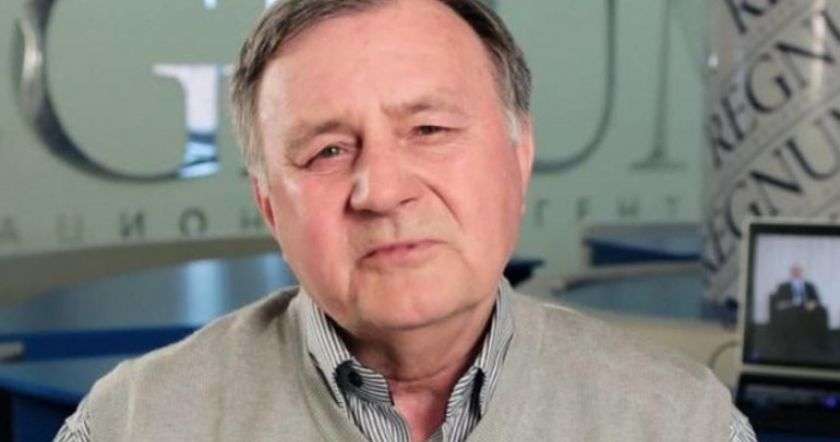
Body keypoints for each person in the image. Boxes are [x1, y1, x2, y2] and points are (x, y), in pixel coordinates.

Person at [55, 1, 755, 440]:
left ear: (519, 157)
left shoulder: (679, 422)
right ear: (270, 206)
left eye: (429, 129)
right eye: (328, 151)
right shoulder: (132, 422)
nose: (382, 191)